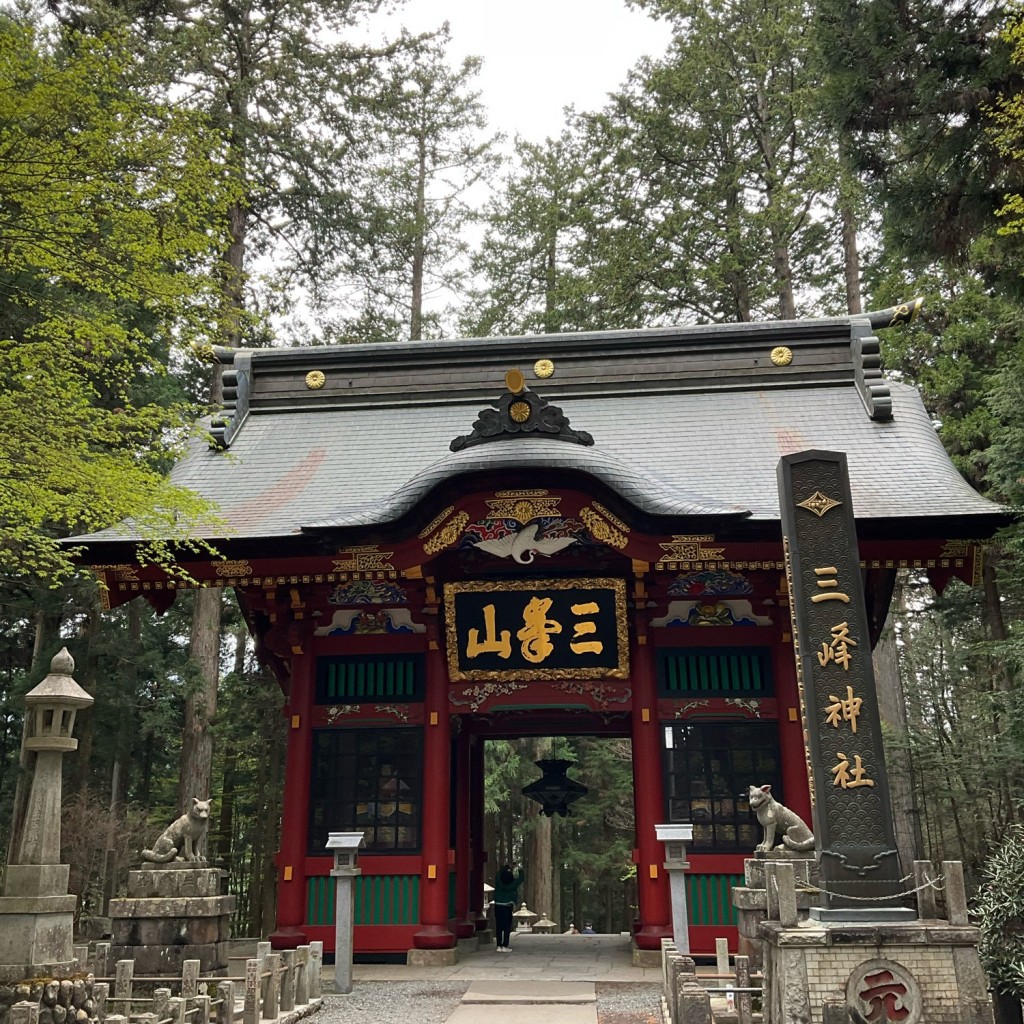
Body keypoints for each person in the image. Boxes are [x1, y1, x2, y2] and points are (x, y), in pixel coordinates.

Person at [491, 863, 524, 952]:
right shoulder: (512, 885)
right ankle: (505, 945)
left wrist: (505, 867)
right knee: (507, 926)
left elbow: (498, 875)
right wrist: (519, 869)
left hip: (498, 905)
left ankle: (499, 945)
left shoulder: (499, 882)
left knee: (499, 925)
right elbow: (520, 878)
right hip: (507, 906)